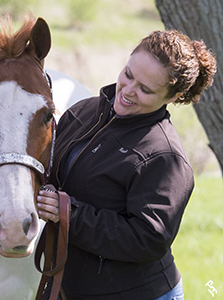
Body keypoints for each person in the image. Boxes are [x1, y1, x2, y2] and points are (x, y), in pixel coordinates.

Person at [36, 30, 216, 300]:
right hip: (73, 287)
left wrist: (69, 214)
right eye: (128, 75)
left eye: (145, 89)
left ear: (172, 97)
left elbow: (146, 239)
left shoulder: (165, 158)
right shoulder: (84, 111)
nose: (128, 91)